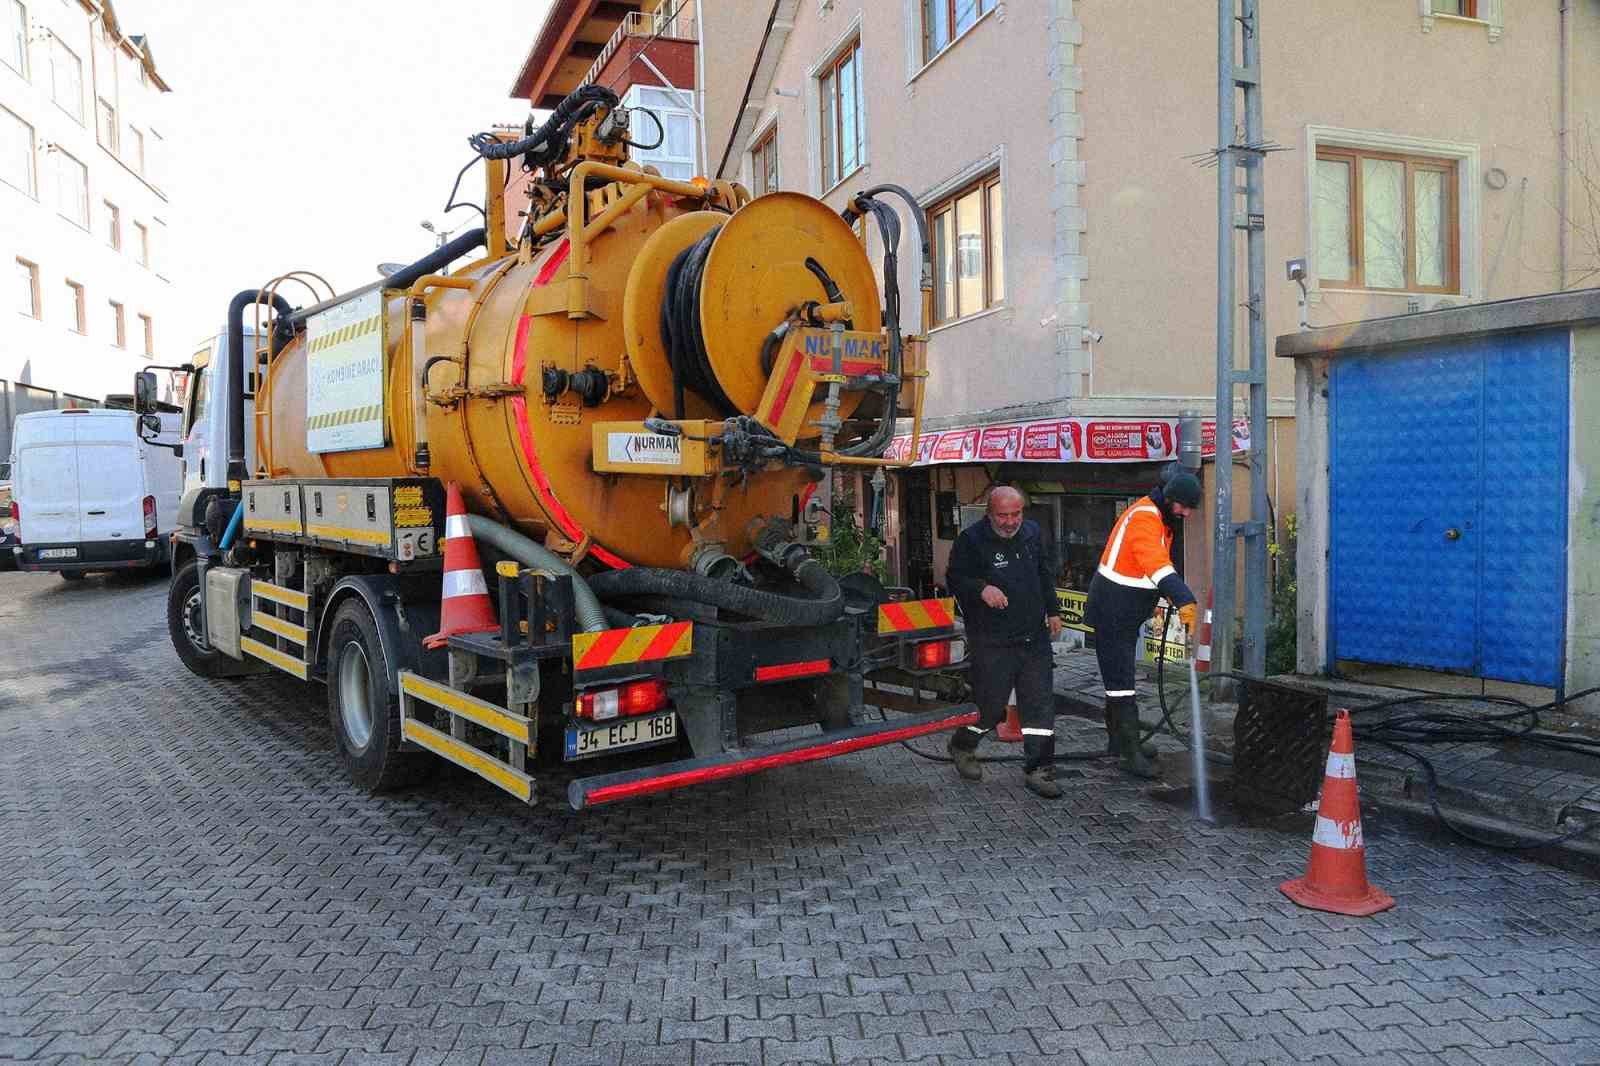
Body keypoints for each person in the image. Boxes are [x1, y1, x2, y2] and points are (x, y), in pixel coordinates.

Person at [945, 486, 1065, 799]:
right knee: (991, 707)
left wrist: (1053, 610)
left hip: (1032, 636)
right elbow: (955, 578)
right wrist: (981, 588)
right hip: (992, 639)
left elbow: (1043, 574)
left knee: (1039, 704)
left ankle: (1039, 769)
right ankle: (963, 745)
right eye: (1003, 515)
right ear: (990, 513)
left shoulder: (1032, 533)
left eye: (1016, 514)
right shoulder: (971, 541)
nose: (1011, 522)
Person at [1083, 471, 1201, 778]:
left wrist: (1172, 595)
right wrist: (1183, 596)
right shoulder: (1145, 517)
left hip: (1124, 612)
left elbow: (1156, 564)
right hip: (1112, 612)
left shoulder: (1161, 517)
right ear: (1171, 499)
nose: (1187, 514)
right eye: (1185, 507)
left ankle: (1119, 740)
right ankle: (1130, 754)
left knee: (1118, 679)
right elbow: (1155, 563)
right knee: (1121, 684)